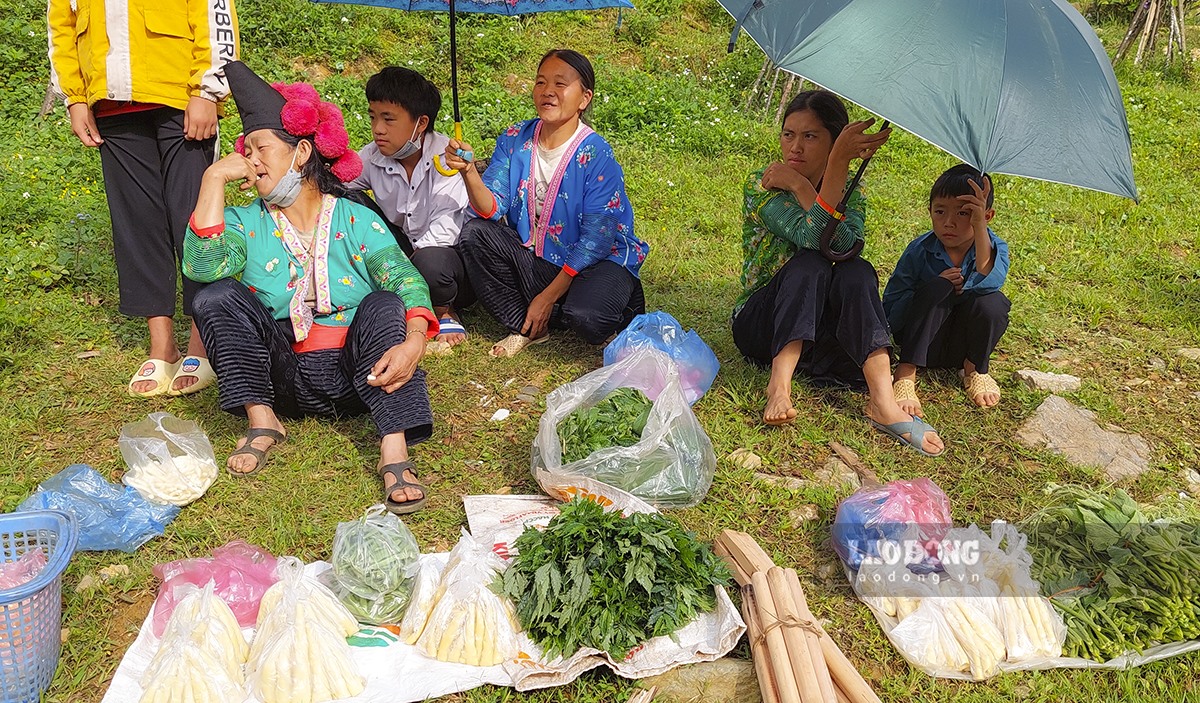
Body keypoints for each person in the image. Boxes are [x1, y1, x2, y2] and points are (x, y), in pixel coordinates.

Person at [182, 61, 438, 514]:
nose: (251, 162)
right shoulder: (246, 223)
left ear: (301, 153)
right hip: (282, 376)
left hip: (357, 374)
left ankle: (394, 449)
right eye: (246, 152)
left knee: (382, 302)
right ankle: (263, 421)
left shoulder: (355, 217)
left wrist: (416, 339)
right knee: (215, 294)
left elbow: (404, 277)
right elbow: (203, 266)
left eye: (261, 149)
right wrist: (212, 178)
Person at [732, 90, 945, 457]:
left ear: (835, 144)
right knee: (809, 263)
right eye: (788, 134)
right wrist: (801, 182)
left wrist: (814, 182)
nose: (794, 147)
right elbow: (810, 238)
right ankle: (778, 387)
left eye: (810, 136)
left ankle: (882, 400)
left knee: (856, 270)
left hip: (821, 334)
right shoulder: (764, 181)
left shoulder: (852, 192)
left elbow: (844, 246)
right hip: (762, 325)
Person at [48, 0, 238, 397]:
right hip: (111, 102)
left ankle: (200, 343)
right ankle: (161, 345)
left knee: (194, 217)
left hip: (180, 98)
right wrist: (75, 97)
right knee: (137, 223)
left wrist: (207, 90)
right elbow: (61, 27)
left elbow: (214, 13)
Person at [444, 49, 648, 357]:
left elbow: (597, 239)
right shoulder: (516, 138)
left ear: (584, 98)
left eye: (560, 84)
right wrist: (469, 171)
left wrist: (546, 298)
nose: (547, 92)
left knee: (588, 319)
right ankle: (533, 326)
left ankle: (617, 298)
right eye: (540, 82)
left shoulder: (595, 154)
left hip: (594, 262)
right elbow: (490, 208)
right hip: (539, 257)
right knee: (475, 234)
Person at [346, 67, 473, 347]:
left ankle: (444, 309)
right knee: (348, 200)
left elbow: (446, 228)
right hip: (404, 249)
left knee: (431, 263)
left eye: (388, 119)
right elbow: (340, 184)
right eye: (373, 117)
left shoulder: (446, 159)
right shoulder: (372, 156)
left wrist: (400, 267)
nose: (378, 129)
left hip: (446, 260)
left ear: (421, 123)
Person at [883, 164, 1010, 411]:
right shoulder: (920, 250)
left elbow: (991, 282)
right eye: (939, 211)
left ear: (987, 216)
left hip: (961, 348)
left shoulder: (996, 247)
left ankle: (974, 369)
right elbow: (891, 308)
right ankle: (906, 372)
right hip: (922, 342)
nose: (948, 223)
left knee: (994, 302)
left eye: (963, 214)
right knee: (939, 287)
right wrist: (933, 287)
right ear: (929, 210)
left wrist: (979, 227)